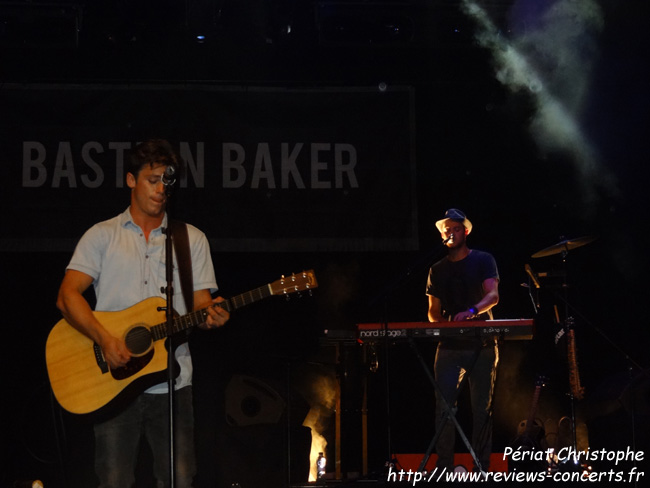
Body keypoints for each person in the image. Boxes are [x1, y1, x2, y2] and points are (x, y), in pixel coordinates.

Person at [56, 139, 230, 487]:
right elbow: (67, 297)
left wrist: (213, 314)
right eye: (152, 179)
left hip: (173, 380)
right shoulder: (102, 236)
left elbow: (200, 305)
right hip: (113, 384)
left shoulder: (190, 239)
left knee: (180, 478)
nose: (161, 188)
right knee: (115, 480)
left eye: (167, 180)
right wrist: (105, 339)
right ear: (131, 180)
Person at [425, 208, 500, 473]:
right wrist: (440, 324)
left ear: (465, 231)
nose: (449, 232)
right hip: (448, 346)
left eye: (455, 228)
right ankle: (444, 468)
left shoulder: (483, 259)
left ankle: (482, 468)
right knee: (444, 408)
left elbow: (493, 296)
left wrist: (471, 312)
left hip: (481, 343)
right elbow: (432, 311)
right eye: (446, 229)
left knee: (482, 410)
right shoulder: (436, 269)